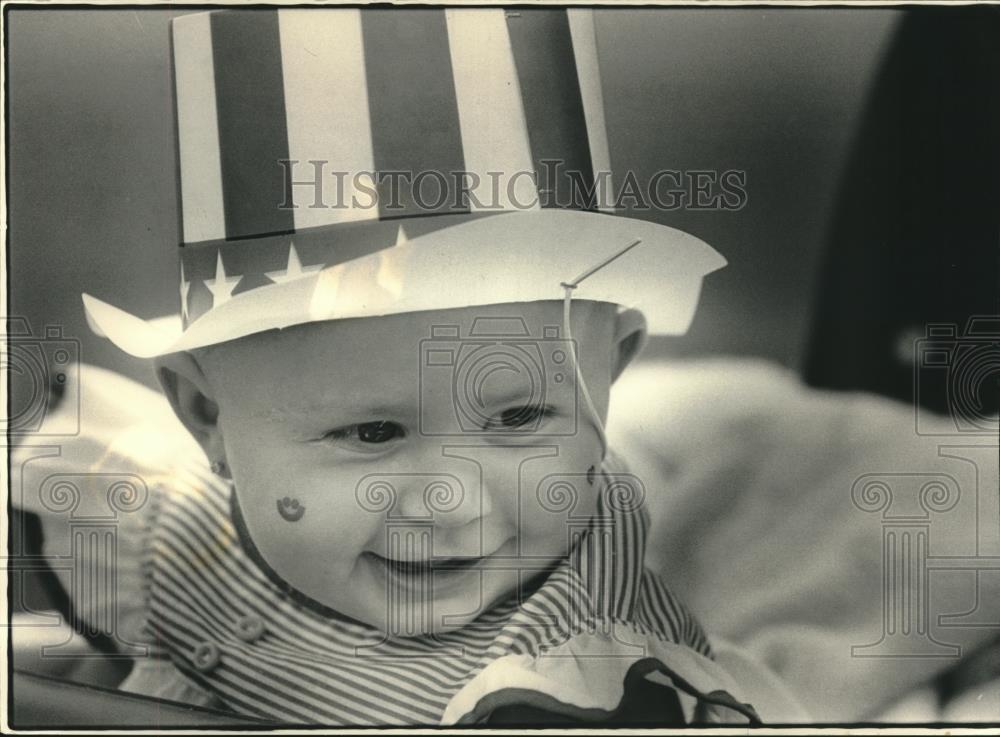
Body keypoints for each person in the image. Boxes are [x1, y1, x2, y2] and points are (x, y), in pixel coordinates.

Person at [78, 7, 805, 726]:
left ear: (610, 372)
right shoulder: (169, 528)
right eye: (372, 432)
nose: (452, 501)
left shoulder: (576, 666)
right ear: (207, 416)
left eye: (519, 417)